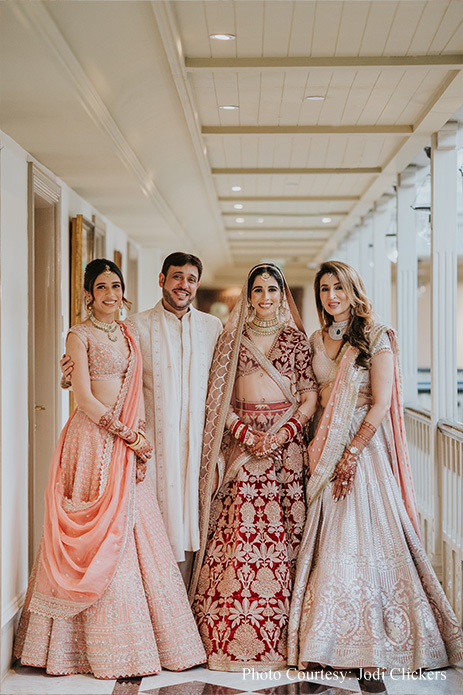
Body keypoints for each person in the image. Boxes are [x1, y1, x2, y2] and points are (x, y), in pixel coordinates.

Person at [15, 259, 206, 678]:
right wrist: (129, 434)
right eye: (101, 287)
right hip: (92, 440)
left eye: (115, 286)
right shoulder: (77, 334)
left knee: (134, 528)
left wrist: (133, 436)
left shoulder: (130, 333)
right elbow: (82, 396)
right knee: (91, 535)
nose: (109, 294)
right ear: (88, 293)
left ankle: (150, 638)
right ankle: (72, 646)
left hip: (125, 438)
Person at [287, 260, 463, 674]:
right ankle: (328, 637)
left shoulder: (376, 336)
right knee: (330, 533)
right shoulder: (316, 338)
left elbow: (382, 403)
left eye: (339, 288)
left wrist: (351, 453)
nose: (332, 296)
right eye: (325, 289)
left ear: (353, 290)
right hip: (323, 445)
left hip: (363, 450)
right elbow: (314, 392)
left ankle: (368, 636)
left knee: (360, 535)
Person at [61, 252, 223, 582]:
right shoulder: (134, 325)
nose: (184, 285)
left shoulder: (213, 327)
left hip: (197, 443)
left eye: (191, 279)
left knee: (196, 522)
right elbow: (103, 369)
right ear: (161, 279)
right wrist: (68, 374)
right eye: (177, 277)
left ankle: (190, 602)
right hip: (147, 444)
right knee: (150, 528)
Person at [190, 264, 318, 672]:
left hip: (286, 448)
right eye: (258, 290)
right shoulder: (231, 341)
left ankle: (286, 635)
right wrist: (244, 433)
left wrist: (282, 434)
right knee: (238, 533)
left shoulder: (297, 340)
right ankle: (226, 634)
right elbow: (219, 396)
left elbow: (309, 395)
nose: (265, 297)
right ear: (248, 295)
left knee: (285, 535)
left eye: (272, 290)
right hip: (242, 448)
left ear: (283, 294)